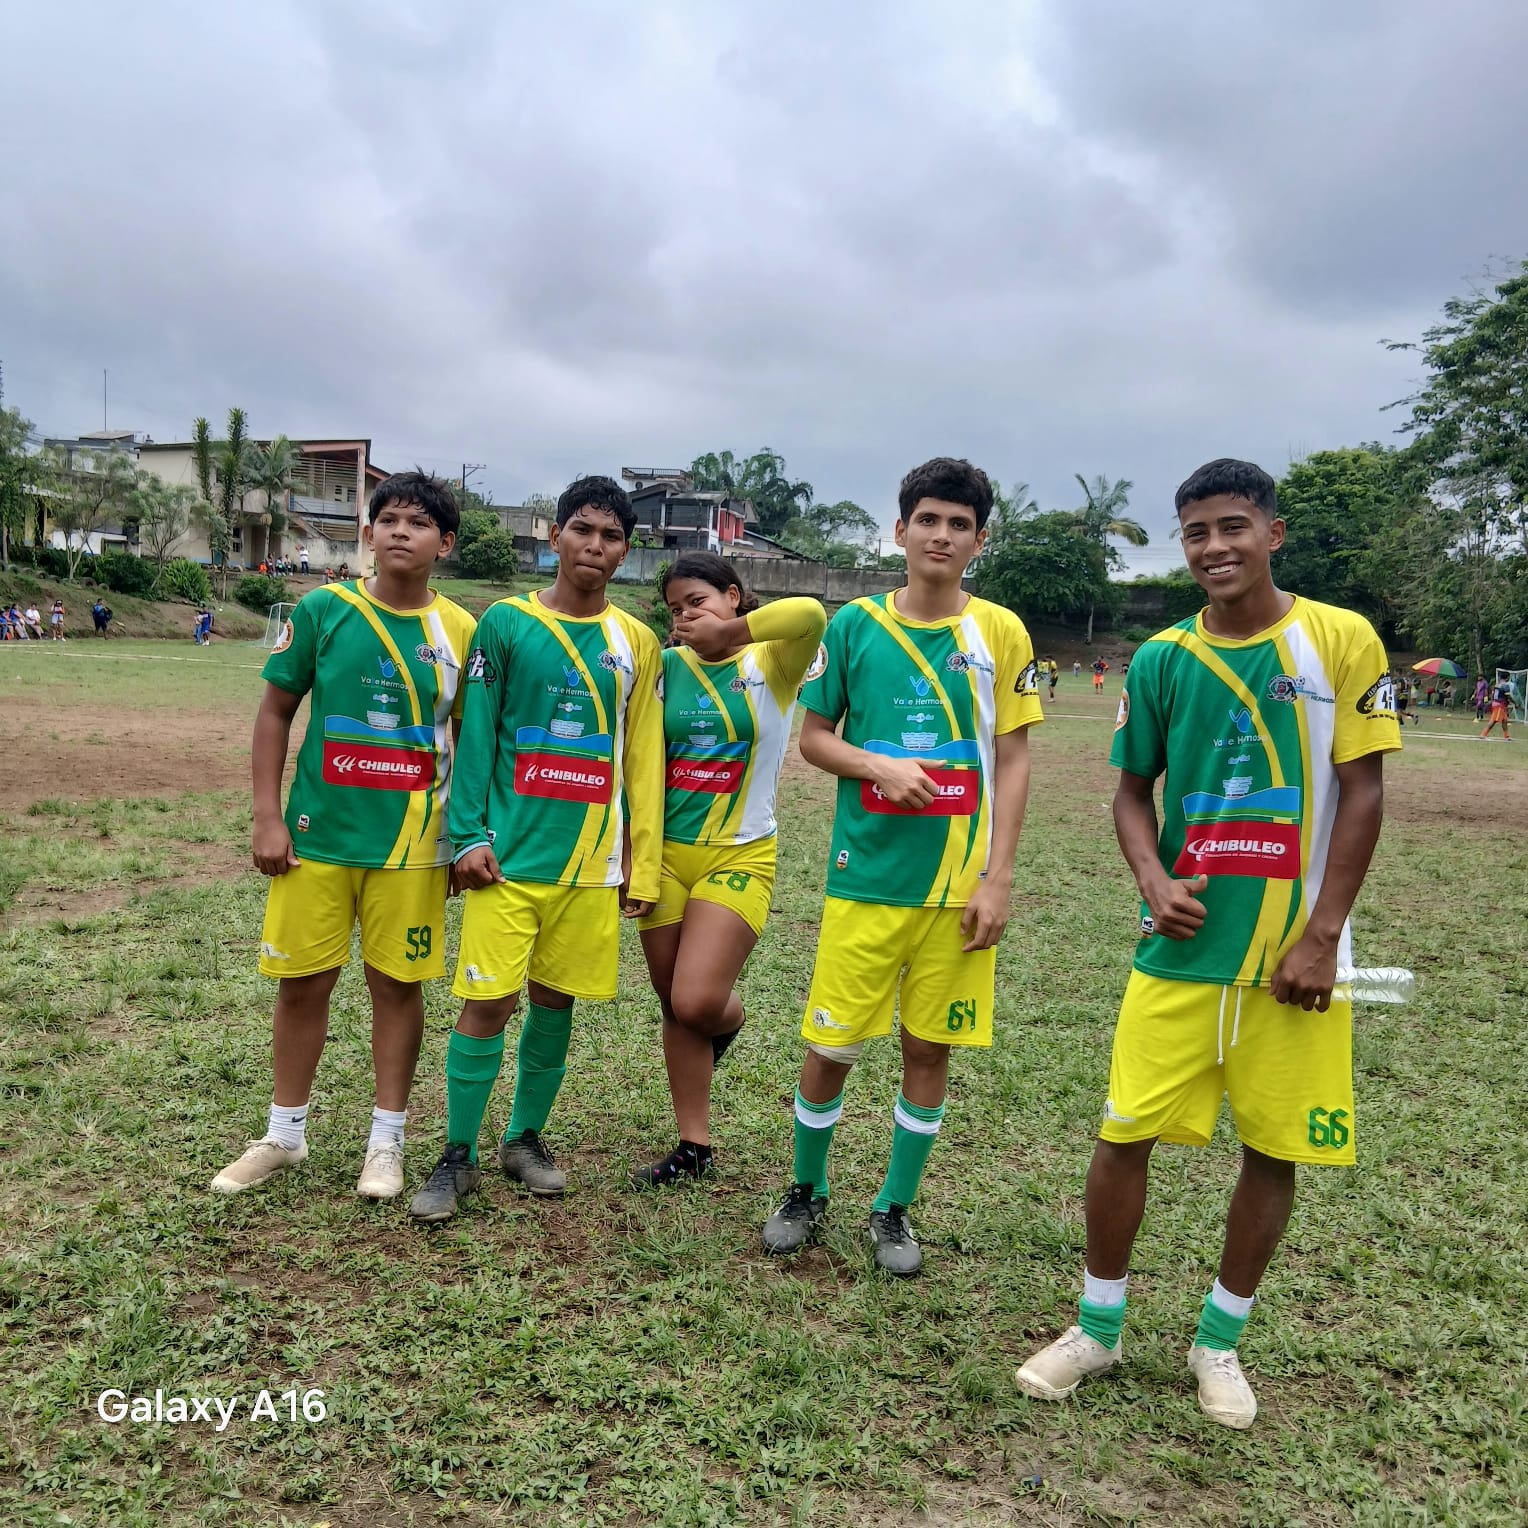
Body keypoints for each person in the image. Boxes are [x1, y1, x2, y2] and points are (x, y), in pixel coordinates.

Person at [1015, 458, 1400, 1430]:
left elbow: (1364, 793)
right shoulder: (1160, 659)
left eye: (1233, 526)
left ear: (1272, 532)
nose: (1215, 547)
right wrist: (1151, 878)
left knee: (1271, 1149)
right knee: (1123, 1133)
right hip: (1179, 948)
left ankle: (1218, 1344)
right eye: (1196, 532)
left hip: (1292, 958)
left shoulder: (1340, 639)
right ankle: (1096, 1329)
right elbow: (1130, 792)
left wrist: (1322, 936)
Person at [759, 457, 1043, 1276]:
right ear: (901, 530)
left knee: (928, 1049)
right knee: (832, 1045)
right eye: (928, 520)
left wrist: (999, 877)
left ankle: (894, 1207)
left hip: (959, 887)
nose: (941, 535)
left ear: (979, 541)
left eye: (959, 524)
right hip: (867, 878)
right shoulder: (854, 627)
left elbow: (1013, 758)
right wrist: (877, 765)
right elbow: (815, 740)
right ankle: (806, 1190)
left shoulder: (1002, 632)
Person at [210, 471, 474, 1200]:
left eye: (418, 523)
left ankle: (386, 1143)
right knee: (302, 985)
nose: (400, 532)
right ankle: (283, 1135)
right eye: (388, 519)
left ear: (445, 543)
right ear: (369, 533)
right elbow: (275, 713)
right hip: (316, 839)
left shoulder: (462, 631)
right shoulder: (323, 609)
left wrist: (461, 836)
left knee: (398, 988)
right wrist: (267, 817)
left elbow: (469, 740)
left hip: (412, 848)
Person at [409, 475, 664, 1223]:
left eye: (610, 536)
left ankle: (523, 1140)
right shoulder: (505, 624)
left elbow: (642, 761)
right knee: (486, 1002)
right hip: (507, 861)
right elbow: (476, 738)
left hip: (591, 866)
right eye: (581, 529)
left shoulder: (638, 642)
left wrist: (640, 862)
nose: (594, 545)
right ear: (555, 536)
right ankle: (456, 1154)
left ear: (624, 551)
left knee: (555, 1002)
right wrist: (468, 835)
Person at [632, 555, 825, 1187]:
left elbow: (810, 614)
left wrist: (730, 633)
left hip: (740, 853)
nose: (686, 617)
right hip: (666, 857)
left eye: (698, 601)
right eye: (676, 609)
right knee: (674, 1003)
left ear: (734, 596)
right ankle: (694, 1146)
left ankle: (730, 1018)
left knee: (698, 1001)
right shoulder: (665, 668)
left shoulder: (772, 663)